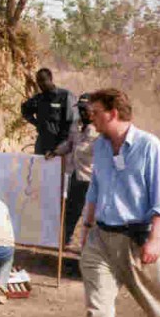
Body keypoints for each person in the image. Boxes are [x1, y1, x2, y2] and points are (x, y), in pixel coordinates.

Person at [79, 88, 160, 317]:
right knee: (98, 311)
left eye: (95, 112)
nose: (90, 117)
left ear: (113, 113)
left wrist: (155, 239)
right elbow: (95, 188)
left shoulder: (149, 147)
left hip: (136, 242)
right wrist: (87, 226)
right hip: (100, 240)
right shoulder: (100, 146)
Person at [46, 92, 99, 249]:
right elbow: (69, 144)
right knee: (70, 210)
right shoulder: (76, 124)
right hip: (76, 175)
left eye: (85, 109)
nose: (82, 112)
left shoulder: (99, 128)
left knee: (91, 215)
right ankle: (64, 241)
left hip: (91, 177)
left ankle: (88, 248)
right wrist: (55, 151)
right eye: (80, 109)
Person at [21, 68, 76, 155]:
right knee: (39, 167)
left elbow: (73, 122)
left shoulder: (65, 96)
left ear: (50, 79)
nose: (40, 84)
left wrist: (63, 144)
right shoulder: (39, 98)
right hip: (42, 143)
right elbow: (24, 109)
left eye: (43, 80)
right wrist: (36, 123)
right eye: (38, 81)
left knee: (59, 168)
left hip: (60, 144)